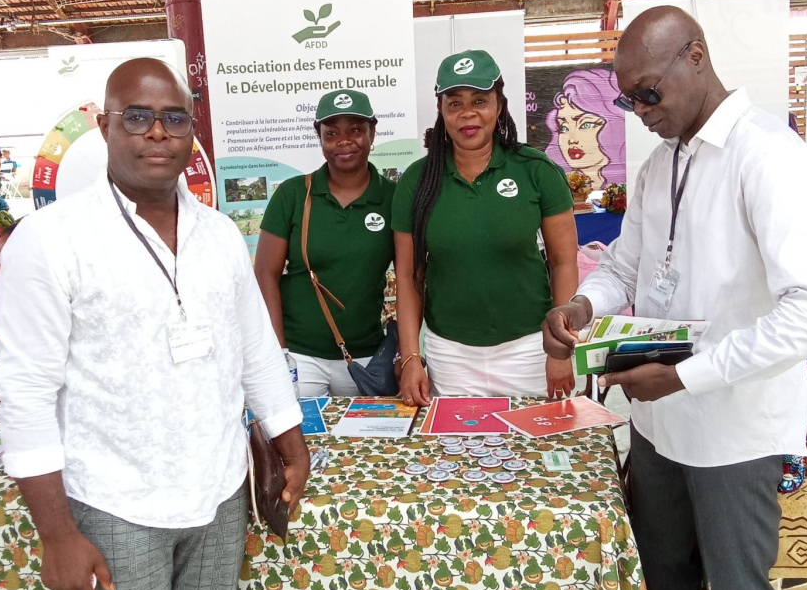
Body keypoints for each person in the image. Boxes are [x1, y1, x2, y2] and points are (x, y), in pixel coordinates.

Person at [0, 57, 309, 590]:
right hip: (114, 501)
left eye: (174, 118)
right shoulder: (50, 241)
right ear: (105, 126)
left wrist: (288, 439)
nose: (158, 134)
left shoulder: (217, 234)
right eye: (137, 116)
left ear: (192, 131)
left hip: (216, 490)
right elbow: (23, 394)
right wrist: (56, 533)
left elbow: (254, 346)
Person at [542, 6, 807, 590]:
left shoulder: (767, 155)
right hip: (662, 427)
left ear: (697, 58)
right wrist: (582, 304)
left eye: (649, 93)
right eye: (628, 100)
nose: (640, 113)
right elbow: (630, 267)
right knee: (663, 587)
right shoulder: (662, 159)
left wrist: (690, 374)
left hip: (735, 432)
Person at [393, 50, 578, 404]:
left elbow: (563, 263)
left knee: (535, 440)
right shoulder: (417, 181)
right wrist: (411, 358)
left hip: (530, 349)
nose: (468, 114)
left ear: (499, 105)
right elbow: (408, 277)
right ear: (441, 110)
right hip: (451, 356)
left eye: (480, 100)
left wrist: (559, 348)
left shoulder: (536, 170)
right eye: (455, 103)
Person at [255, 89, 396, 396]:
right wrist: (279, 352)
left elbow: (412, 276)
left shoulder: (393, 198)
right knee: (297, 428)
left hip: (367, 358)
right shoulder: (293, 195)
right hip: (300, 354)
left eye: (355, 130)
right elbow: (265, 274)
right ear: (319, 137)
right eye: (331, 133)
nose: (344, 141)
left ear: (372, 133)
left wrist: (408, 353)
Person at [543, 66, 626, 189]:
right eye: (563, 128)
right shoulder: (554, 186)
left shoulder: (630, 185)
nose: (572, 140)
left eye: (585, 125)